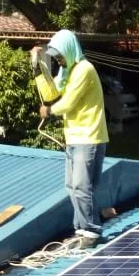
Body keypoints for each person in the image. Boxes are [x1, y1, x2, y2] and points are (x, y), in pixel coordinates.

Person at [31, 30, 109, 248]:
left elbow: (68, 102)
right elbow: (50, 94)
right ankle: (81, 230)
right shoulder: (68, 72)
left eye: (60, 56)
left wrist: (49, 112)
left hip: (89, 136)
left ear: (69, 49)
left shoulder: (84, 69)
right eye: (56, 58)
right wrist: (38, 68)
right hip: (74, 136)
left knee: (82, 186)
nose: (59, 60)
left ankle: (91, 232)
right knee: (71, 186)